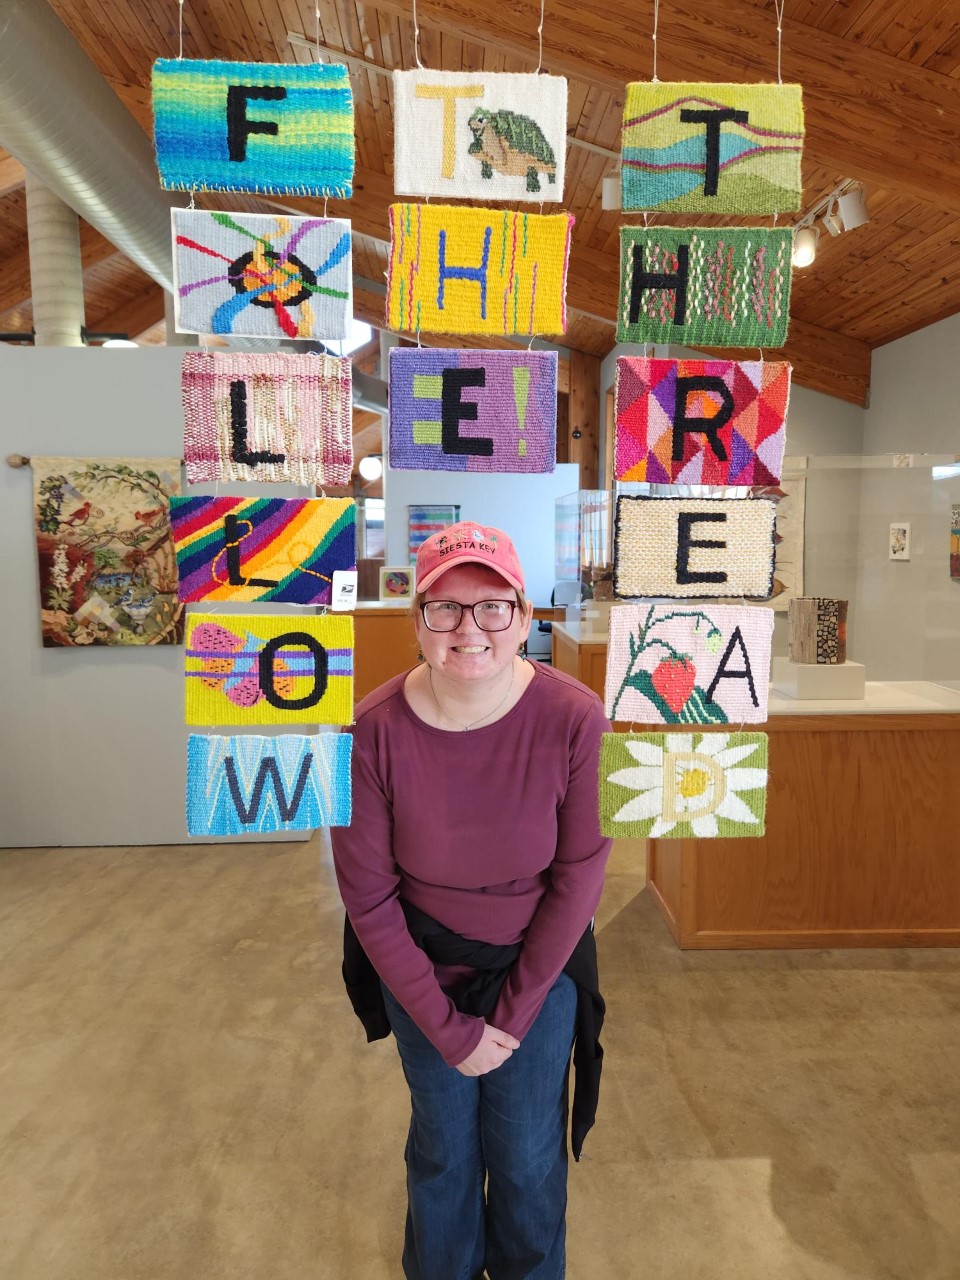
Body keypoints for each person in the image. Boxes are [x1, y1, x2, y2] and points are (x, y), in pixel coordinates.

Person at [331, 521, 612, 1280]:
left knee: (525, 1155)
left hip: (539, 969)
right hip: (420, 970)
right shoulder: (369, 730)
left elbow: (582, 874)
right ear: (415, 620)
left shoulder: (578, 718)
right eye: (443, 609)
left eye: (492, 607)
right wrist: (450, 1030)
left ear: (523, 618)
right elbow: (368, 897)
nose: (469, 630)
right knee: (443, 1148)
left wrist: (513, 1016)